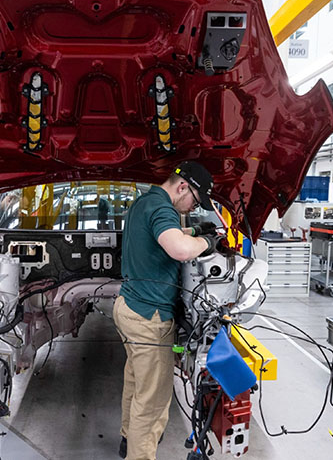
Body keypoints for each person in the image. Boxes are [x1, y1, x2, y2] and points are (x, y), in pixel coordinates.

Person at [113, 161, 219, 460]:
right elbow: (180, 250)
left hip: (128, 307)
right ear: (183, 186)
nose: (191, 208)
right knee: (153, 403)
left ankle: (126, 439)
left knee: (135, 381)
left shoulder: (144, 202)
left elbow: (165, 231)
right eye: (194, 202)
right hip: (150, 318)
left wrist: (194, 229)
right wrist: (207, 242)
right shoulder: (163, 208)